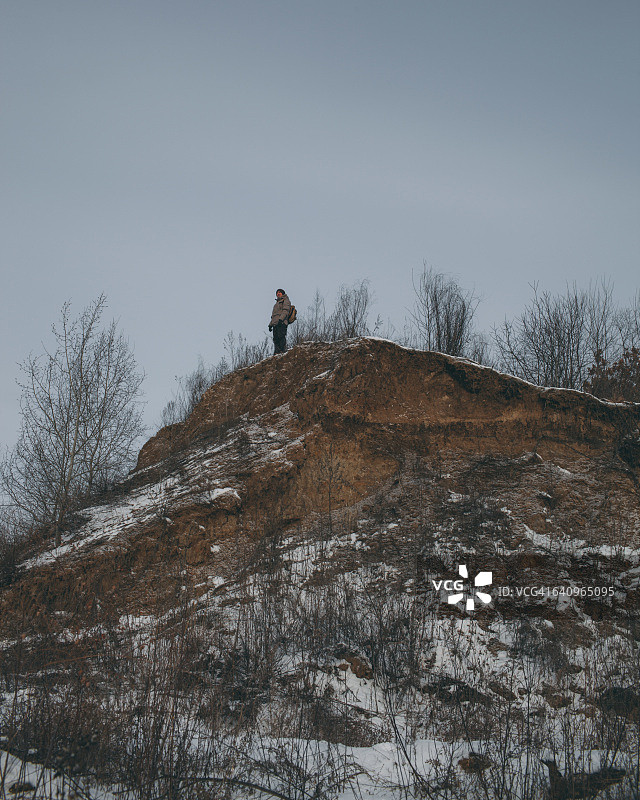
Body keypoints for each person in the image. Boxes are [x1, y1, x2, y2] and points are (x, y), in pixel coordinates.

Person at [269, 288, 291, 354]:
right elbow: (274, 316)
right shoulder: (276, 304)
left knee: (281, 337)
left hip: (282, 322)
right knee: (275, 339)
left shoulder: (285, 300)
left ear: (282, 293)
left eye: (279, 292)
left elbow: (285, 311)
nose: (278, 294)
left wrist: (281, 319)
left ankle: (282, 351)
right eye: (277, 293)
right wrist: (270, 325)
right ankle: (277, 352)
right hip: (275, 323)